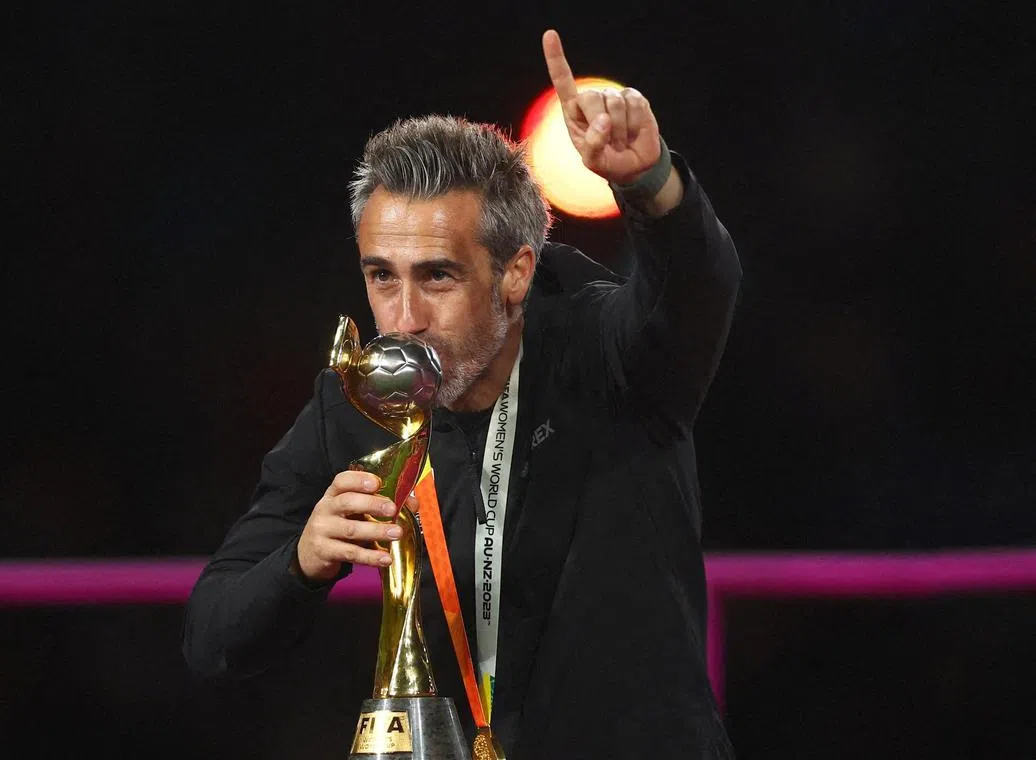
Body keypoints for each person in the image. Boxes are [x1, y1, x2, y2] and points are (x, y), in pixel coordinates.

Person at [184, 29, 741, 759]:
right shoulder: (353, 402)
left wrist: (651, 184)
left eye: (437, 277)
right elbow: (212, 637)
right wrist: (302, 559)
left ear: (513, 274)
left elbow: (699, 293)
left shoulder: (606, 349)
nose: (404, 317)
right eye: (382, 276)